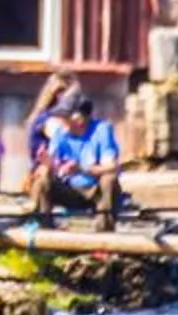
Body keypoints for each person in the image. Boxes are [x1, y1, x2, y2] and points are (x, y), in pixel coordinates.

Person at [29, 91, 125, 229]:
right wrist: (48, 164)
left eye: (64, 117)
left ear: (78, 119)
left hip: (94, 191)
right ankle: (43, 227)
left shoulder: (102, 130)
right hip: (69, 189)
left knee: (109, 179)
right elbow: (54, 164)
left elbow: (112, 166)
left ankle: (104, 230)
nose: (60, 120)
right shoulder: (60, 133)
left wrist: (82, 169)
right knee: (41, 179)